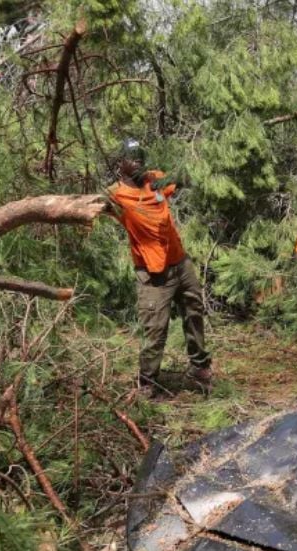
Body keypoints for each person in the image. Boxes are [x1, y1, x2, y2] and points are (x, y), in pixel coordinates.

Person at [107, 139, 212, 390]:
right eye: (132, 158)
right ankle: (148, 383)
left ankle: (199, 368)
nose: (138, 163)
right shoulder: (115, 195)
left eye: (141, 157)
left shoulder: (155, 179)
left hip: (180, 263)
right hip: (152, 273)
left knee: (194, 311)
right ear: (120, 164)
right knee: (154, 327)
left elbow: (183, 180)